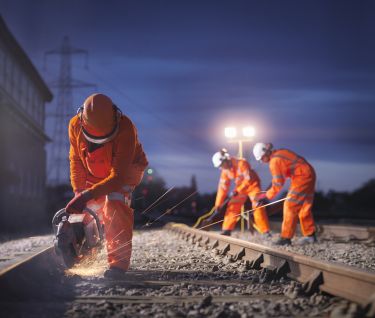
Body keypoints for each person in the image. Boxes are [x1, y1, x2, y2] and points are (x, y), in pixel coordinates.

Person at [65, 93, 148, 279]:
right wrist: (79, 192)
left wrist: (86, 195)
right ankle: (86, 251)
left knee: (115, 202)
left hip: (126, 170)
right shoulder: (75, 125)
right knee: (87, 208)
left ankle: (118, 264)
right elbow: (76, 160)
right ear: (82, 120)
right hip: (94, 170)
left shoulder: (126, 128)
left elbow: (117, 178)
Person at [253, 142, 316, 245]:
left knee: (290, 205)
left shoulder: (274, 161)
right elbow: (279, 178)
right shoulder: (279, 153)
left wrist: (266, 197)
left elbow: (278, 184)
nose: (262, 161)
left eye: (261, 159)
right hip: (309, 173)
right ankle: (310, 236)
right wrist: (266, 194)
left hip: (301, 177)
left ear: (265, 155)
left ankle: (286, 238)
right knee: (304, 206)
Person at [211, 148, 270, 236]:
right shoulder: (225, 171)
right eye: (220, 166)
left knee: (257, 205)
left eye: (222, 165)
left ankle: (265, 231)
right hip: (240, 189)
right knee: (233, 205)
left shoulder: (242, 163)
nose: (222, 168)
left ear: (226, 160)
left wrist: (238, 190)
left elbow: (248, 179)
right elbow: (222, 188)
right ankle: (227, 229)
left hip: (253, 186)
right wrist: (218, 204)